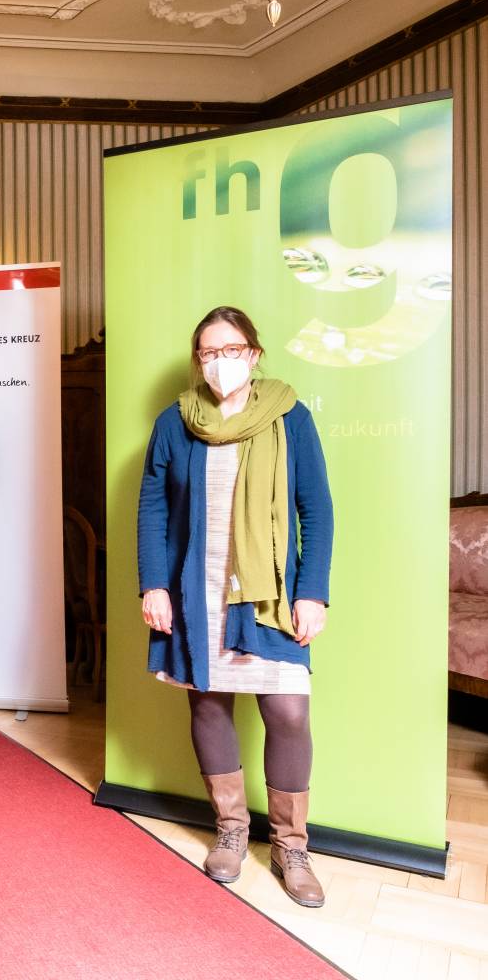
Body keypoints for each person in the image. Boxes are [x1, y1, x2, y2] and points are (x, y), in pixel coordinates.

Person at [137, 305, 333, 908]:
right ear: (198, 360)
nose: (219, 362)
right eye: (207, 353)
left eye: (230, 350)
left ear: (254, 352)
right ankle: (230, 831)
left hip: (268, 595)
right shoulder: (176, 422)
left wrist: (311, 591)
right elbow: (152, 508)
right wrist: (154, 585)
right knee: (210, 704)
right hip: (197, 587)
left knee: (288, 713)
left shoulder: (289, 417)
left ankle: (290, 845)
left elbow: (316, 508)